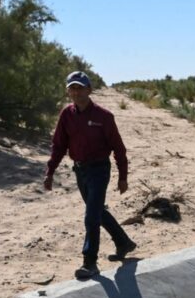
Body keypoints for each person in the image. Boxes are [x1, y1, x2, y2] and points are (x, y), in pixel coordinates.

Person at [44, 70, 137, 280]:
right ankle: (123, 242)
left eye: (80, 88)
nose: (76, 92)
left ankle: (90, 262)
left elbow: (119, 149)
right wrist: (50, 171)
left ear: (89, 90)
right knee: (96, 212)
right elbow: (58, 145)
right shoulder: (66, 115)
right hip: (80, 170)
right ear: (68, 91)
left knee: (91, 216)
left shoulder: (104, 117)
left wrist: (123, 177)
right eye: (72, 88)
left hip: (99, 170)